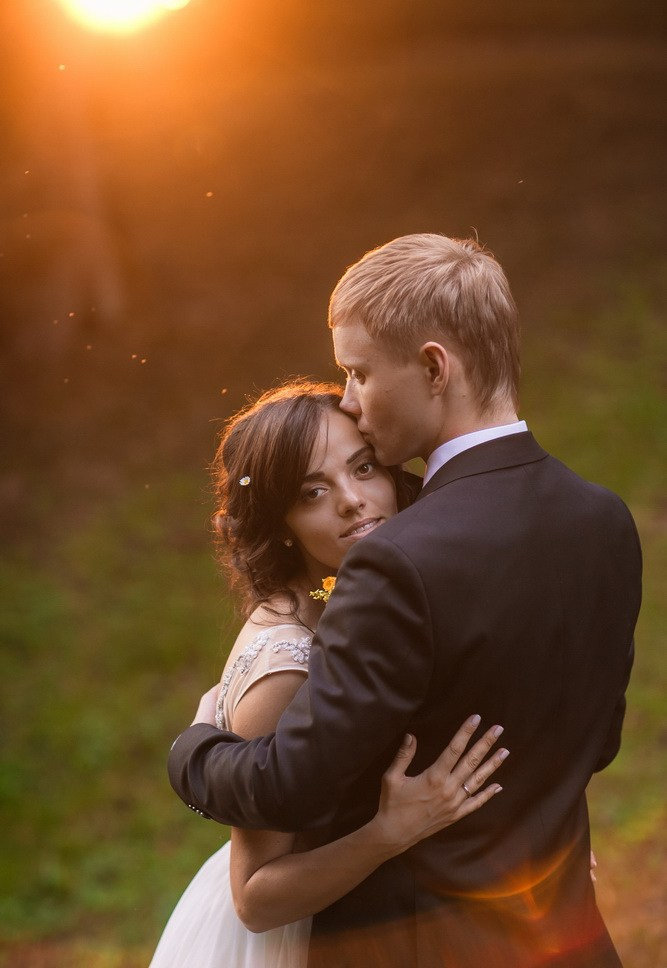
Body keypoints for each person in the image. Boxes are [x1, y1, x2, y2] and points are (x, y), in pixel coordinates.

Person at [169, 236, 642, 967]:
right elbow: (596, 740)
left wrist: (194, 751)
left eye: (357, 372)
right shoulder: (603, 518)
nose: (351, 400)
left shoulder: (396, 560)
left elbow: (289, 785)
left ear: (431, 367)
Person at [151, 380, 508, 968]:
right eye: (313, 491)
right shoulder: (283, 666)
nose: (351, 499)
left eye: (364, 467)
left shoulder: (385, 592)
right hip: (302, 938)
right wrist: (391, 830)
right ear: (281, 521)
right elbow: (256, 898)